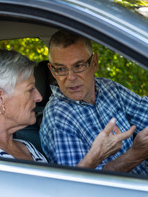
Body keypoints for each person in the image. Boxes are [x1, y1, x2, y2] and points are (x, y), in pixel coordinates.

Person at [0, 47, 134, 168]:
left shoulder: (27, 147)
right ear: (0, 98)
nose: (39, 97)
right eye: (30, 90)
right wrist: (94, 157)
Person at [40, 30, 148, 174]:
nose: (71, 77)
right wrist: (135, 154)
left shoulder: (108, 88)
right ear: (52, 71)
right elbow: (82, 186)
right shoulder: (57, 118)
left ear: (94, 63)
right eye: (61, 69)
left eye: (78, 66)